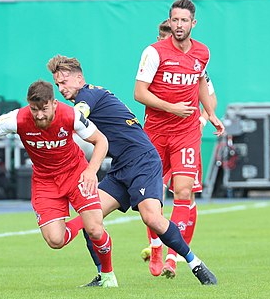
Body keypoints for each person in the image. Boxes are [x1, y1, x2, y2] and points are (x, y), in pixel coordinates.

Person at [48, 54, 217, 286]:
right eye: (57, 84)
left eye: (64, 82)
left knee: (152, 219)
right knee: (91, 220)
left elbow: (78, 116)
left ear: (79, 78)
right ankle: (105, 277)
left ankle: (195, 264)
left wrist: (49, 127)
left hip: (142, 161)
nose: (60, 88)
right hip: (121, 167)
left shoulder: (87, 96)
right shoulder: (92, 94)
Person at [0, 80, 118, 287]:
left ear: (54, 103)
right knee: (55, 241)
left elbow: (101, 140)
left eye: (44, 109)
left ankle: (108, 276)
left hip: (76, 174)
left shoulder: (71, 115)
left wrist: (92, 171)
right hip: (45, 181)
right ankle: (84, 220)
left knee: (95, 230)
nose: (39, 115)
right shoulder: (17, 119)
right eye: (34, 109)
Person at [134, 0, 224, 279]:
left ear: (193, 23)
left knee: (184, 191)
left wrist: (210, 113)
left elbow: (200, 83)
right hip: (156, 132)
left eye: (184, 21)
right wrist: (172, 107)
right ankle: (156, 247)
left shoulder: (202, 53)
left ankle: (174, 255)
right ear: (169, 22)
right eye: (175, 20)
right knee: (152, 197)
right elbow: (139, 93)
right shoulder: (153, 52)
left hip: (186, 132)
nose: (179, 25)